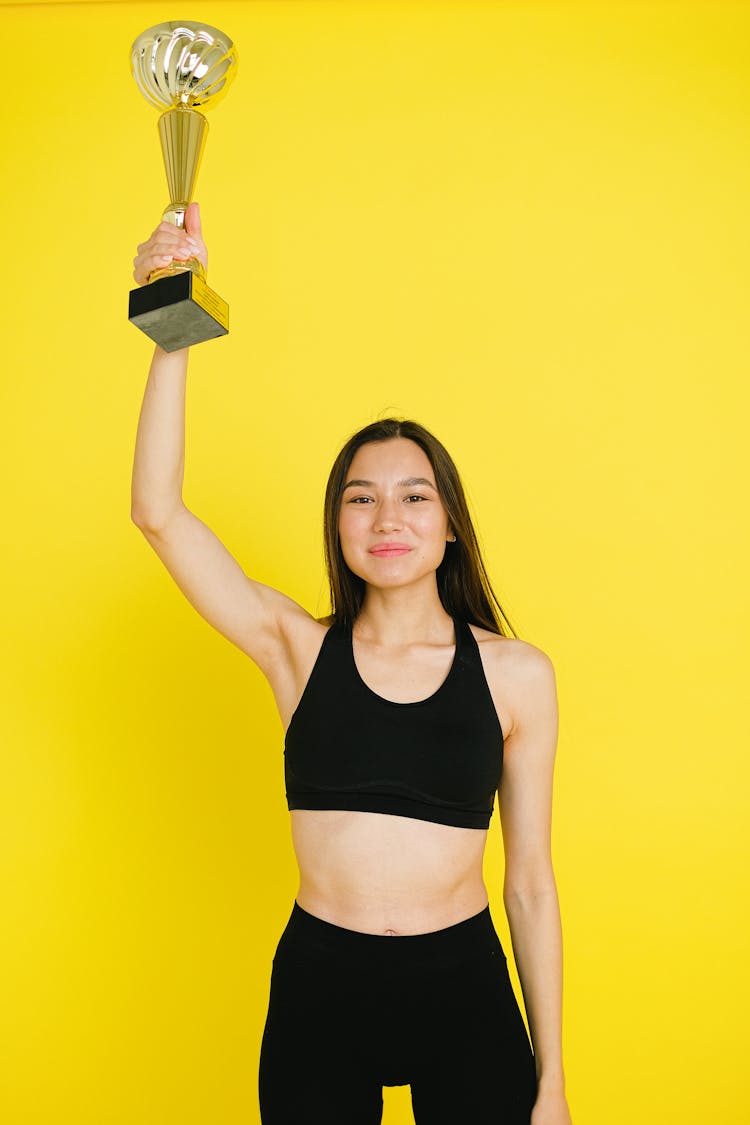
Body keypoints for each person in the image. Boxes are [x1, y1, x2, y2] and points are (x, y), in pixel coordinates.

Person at [131, 203, 573, 1125]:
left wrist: (554, 1081)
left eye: (415, 497)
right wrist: (168, 315)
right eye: (361, 498)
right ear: (338, 523)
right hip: (321, 987)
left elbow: (527, 878)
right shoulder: (294, 646)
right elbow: (158, 514)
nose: (388, 519)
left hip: (463, 988)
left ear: (449, 524)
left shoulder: (517, 675)